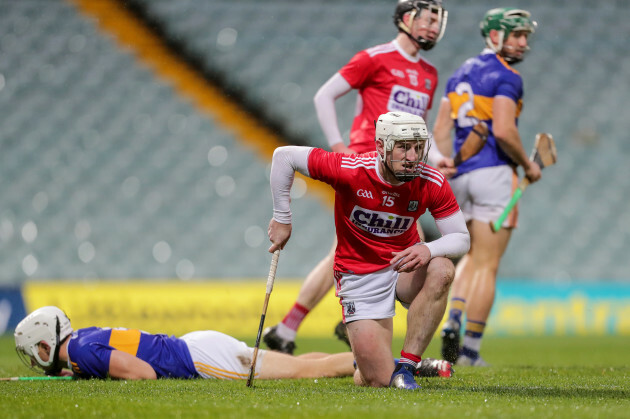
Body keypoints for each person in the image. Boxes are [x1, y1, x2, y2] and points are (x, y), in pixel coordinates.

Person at [263, 0, 451, 356]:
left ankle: (296, 327)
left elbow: (419, 130)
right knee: (380, 250)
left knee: (391, 250)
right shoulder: (375, 58)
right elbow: (324, 96)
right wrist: (340, 147)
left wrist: (438, 158)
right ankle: (312, 326)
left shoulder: (429, 72)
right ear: (407, 18)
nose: (432, 26)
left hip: (403, 173)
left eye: (436, 20)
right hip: (369, 170)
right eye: (427, 17)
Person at [267, 111, 470, 389]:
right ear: (380, 147)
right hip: (359, 276)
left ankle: (408, 365)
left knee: (442, 267)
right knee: (376, 380)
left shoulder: (430, 180)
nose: (412, 157)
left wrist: (427, 249)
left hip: (403, 269)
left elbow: (461, 237)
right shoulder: (350, 169)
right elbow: (284, 156)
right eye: (403, 147)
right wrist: (282, 218)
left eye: (418, 147)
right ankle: (369, 364)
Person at [432, 8, 542, 367]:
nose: (523, 42)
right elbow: (503, 131)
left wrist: (445, 162)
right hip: (495, 174)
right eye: (515, 35)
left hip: (461, 175)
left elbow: (441, 132)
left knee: (472, 257)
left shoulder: (460, 72)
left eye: (525, 36)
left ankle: (453, 320)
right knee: (489, 265)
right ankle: (470, 352)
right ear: (495, 36)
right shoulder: (507, 76)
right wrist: (528, 165)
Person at [13, 306, 356, 380]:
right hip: (197, 346)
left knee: (304, 373)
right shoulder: (81, 344)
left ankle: (376, 364)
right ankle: (361, 358)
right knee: (298, 366)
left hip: (200, 358)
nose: (33, 360)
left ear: (44, 344)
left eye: (33, 353)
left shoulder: (81, 351)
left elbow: (143, 374)